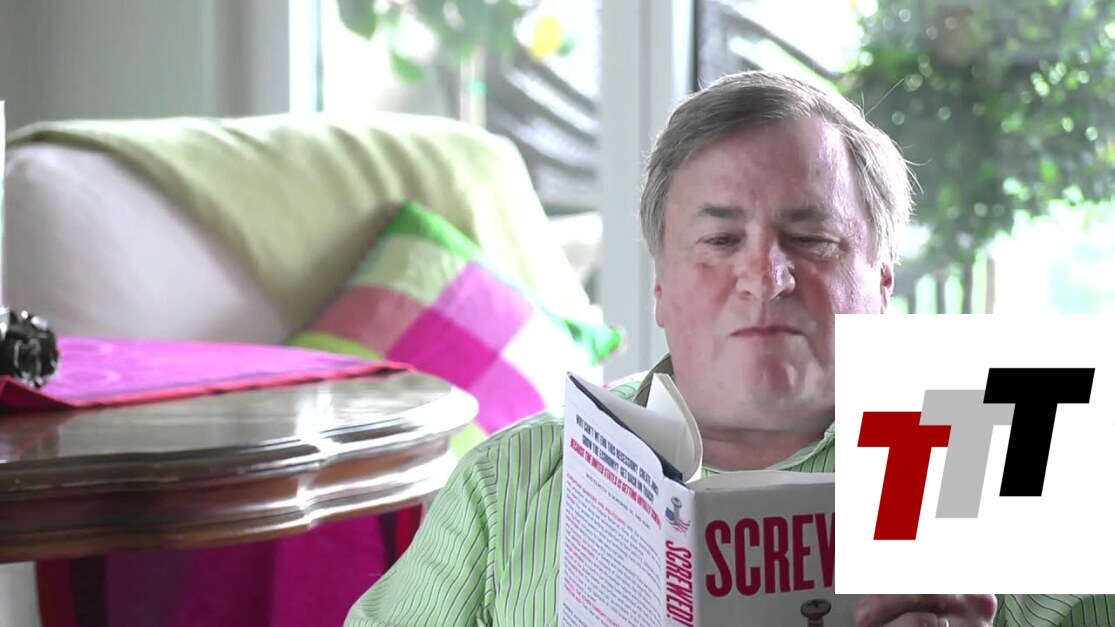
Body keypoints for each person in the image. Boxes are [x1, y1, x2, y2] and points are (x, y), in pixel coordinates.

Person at [344, 70, 1108, 627]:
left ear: (881, 282)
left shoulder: (1014, 459)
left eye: (812, 238)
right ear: (660, 287)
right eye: (718, 240)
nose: (765, 277)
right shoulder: (508, 479)